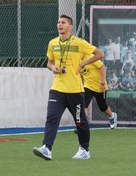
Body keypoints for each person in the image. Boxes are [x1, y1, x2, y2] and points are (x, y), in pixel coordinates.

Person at [32, 14, 104, 160]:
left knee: (80, 121)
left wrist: (83, 64)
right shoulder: (52, 43)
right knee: (51, 117)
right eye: (58, 22)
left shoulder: (79, 43)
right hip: (57, 88)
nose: (60, 25)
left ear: (70, 26)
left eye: (63, 22)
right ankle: (47, 148)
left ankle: (84, 150)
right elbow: (49, 62)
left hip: (75, 91)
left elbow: (99, 54)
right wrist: (53, 68)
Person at [80, 54, 117, 129]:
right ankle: (83, 125)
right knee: (84, 104)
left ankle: (112, 116)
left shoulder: (90, 57)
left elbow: (102, 67)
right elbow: (81, 76)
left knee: (102, 107)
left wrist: (103, 83)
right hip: (88, 86)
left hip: (99, 86)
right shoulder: (77, 61)